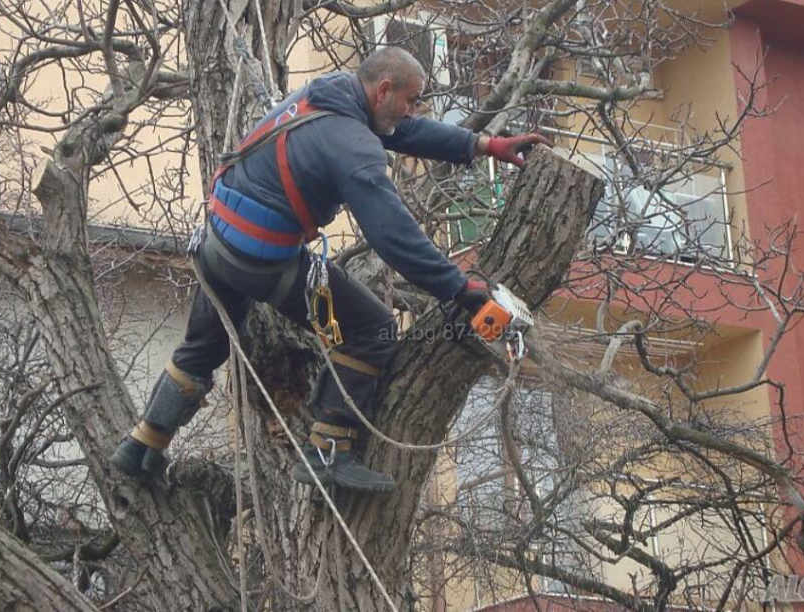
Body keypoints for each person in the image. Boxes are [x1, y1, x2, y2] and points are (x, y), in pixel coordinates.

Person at [110, 47, 549, 492]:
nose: (414, 111)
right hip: (262, 261)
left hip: (216, 244)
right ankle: (327, 453)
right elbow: (392, 234)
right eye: (411, 100)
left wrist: (483, 145)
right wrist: (458, 288)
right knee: (371, 328)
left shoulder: (331, 94)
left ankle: (143, 443)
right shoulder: (352, 145)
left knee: (202, 348)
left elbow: (402, 130)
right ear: (382, 90)